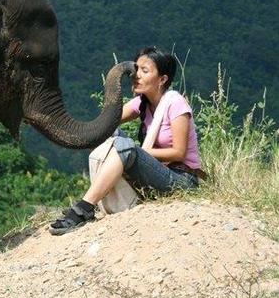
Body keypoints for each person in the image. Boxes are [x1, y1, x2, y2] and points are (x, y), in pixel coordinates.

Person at [49, 46, 205, 235]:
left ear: (162, 79)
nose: (136, 75)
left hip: (182, 179)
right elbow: (106, 123)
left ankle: (84, 209)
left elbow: (178, 153)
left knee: (125, 146)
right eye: (136, 69)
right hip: (157, 174)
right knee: (113, 135)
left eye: (144, 71)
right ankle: (101, 201)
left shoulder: (176, 103)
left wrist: (135, 151)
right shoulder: (142, 103)